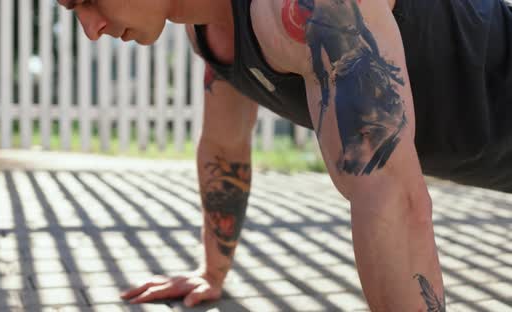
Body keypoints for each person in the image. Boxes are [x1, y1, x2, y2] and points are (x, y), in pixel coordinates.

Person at [57, 0, 512, 310]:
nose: (91, 29)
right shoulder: (208, 34)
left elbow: (393, 201)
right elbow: (224, 145)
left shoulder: (309, 8)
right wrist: (211, 272)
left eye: (89, 0)